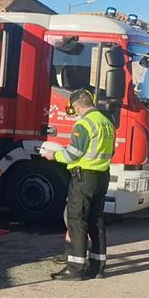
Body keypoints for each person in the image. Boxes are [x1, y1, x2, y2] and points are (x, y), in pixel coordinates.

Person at [43, 89, 115, 280]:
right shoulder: (106, 122)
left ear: (76, 106)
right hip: (102, 176)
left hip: (84, 178)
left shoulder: (84, 124)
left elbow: (72, 154)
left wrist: (54, 155)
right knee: (96, 221)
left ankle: (75, 269)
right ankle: (97, 267)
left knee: (77, 221)